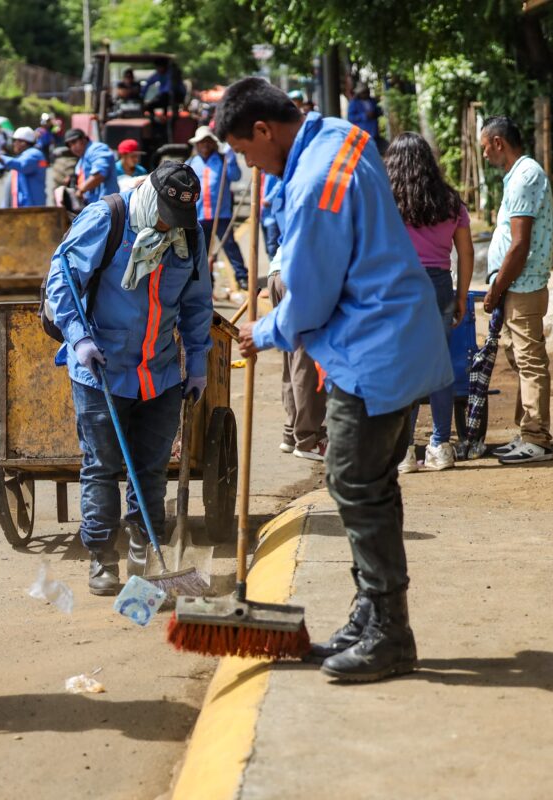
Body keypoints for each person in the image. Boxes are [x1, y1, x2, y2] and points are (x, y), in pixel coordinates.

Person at [218, 77, 451, 682]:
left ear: (265, 129)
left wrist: (264, 331)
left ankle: (390, 634)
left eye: (246, 152)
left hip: (370, 351)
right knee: (372, 483)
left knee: (352, 481)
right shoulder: (342, 136)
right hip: (396, 336)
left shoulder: (315, 184)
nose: (250, 166)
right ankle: (370, 616)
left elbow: (311, 297)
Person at [44, 162, 213, 595]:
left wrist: (197, 361)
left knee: (151, 469)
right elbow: (62, 280)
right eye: (165, 217)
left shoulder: (189, 234)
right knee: (102, 467)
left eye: (179, 220)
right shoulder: (108, 218)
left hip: (160, 372)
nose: (169, 226)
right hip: (101, 369)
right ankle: (102, 557)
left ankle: (145, 550)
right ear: (152, 199)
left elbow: (197, 302)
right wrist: (79, 338)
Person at [384, 133, 474, 472]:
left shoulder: (385, 201)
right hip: (439, 286)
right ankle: (440, 445)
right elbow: (466, 251)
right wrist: (461, 295)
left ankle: (405, 451)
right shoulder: (450, 202)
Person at [480, 115, 553, 464]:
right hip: (517, 284)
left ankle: (536, 438)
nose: (484, 155)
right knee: (520, 359)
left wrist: (497, 287)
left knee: (530, 360)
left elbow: (519, 244)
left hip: (523, 285)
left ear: (498, 143)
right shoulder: (518, 176)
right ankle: (528, 431)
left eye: (485, 147)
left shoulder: (525, 176)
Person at [262, 169, 328, 460]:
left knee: (292, 356)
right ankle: (308, 439)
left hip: (278, 271)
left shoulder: (296, 186)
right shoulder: (321, 190)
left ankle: (292, 432)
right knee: (305, 359)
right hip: (299, 274)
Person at [187, 125, 248, 288]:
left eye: (208, 141)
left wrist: (232, 160)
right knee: (202, 250)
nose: (205, 145)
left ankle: (242, 276)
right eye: (202, 142)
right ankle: (206, 280)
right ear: (197, 145)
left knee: (230, 246)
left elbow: (236, 176)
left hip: (221, 213)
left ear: (213, 143)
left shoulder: (223, 159)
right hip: (200, 215)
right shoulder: (191, 163)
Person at [0, 126, 48, 208]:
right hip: (21, 208)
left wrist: (0, 158)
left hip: (32, 207)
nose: (14, 144)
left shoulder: (34, 154)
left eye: (16, 141)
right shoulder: (23, 156)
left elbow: (22, 165)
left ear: (24, 142)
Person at [65, 128, 119, 206]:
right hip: (93, 205)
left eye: (74, 142)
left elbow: (99, 174)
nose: (73, 147)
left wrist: (81, 190)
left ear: (84, 139)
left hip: (106, 205)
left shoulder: (96, 149)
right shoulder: (81, 160)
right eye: (69, 145)